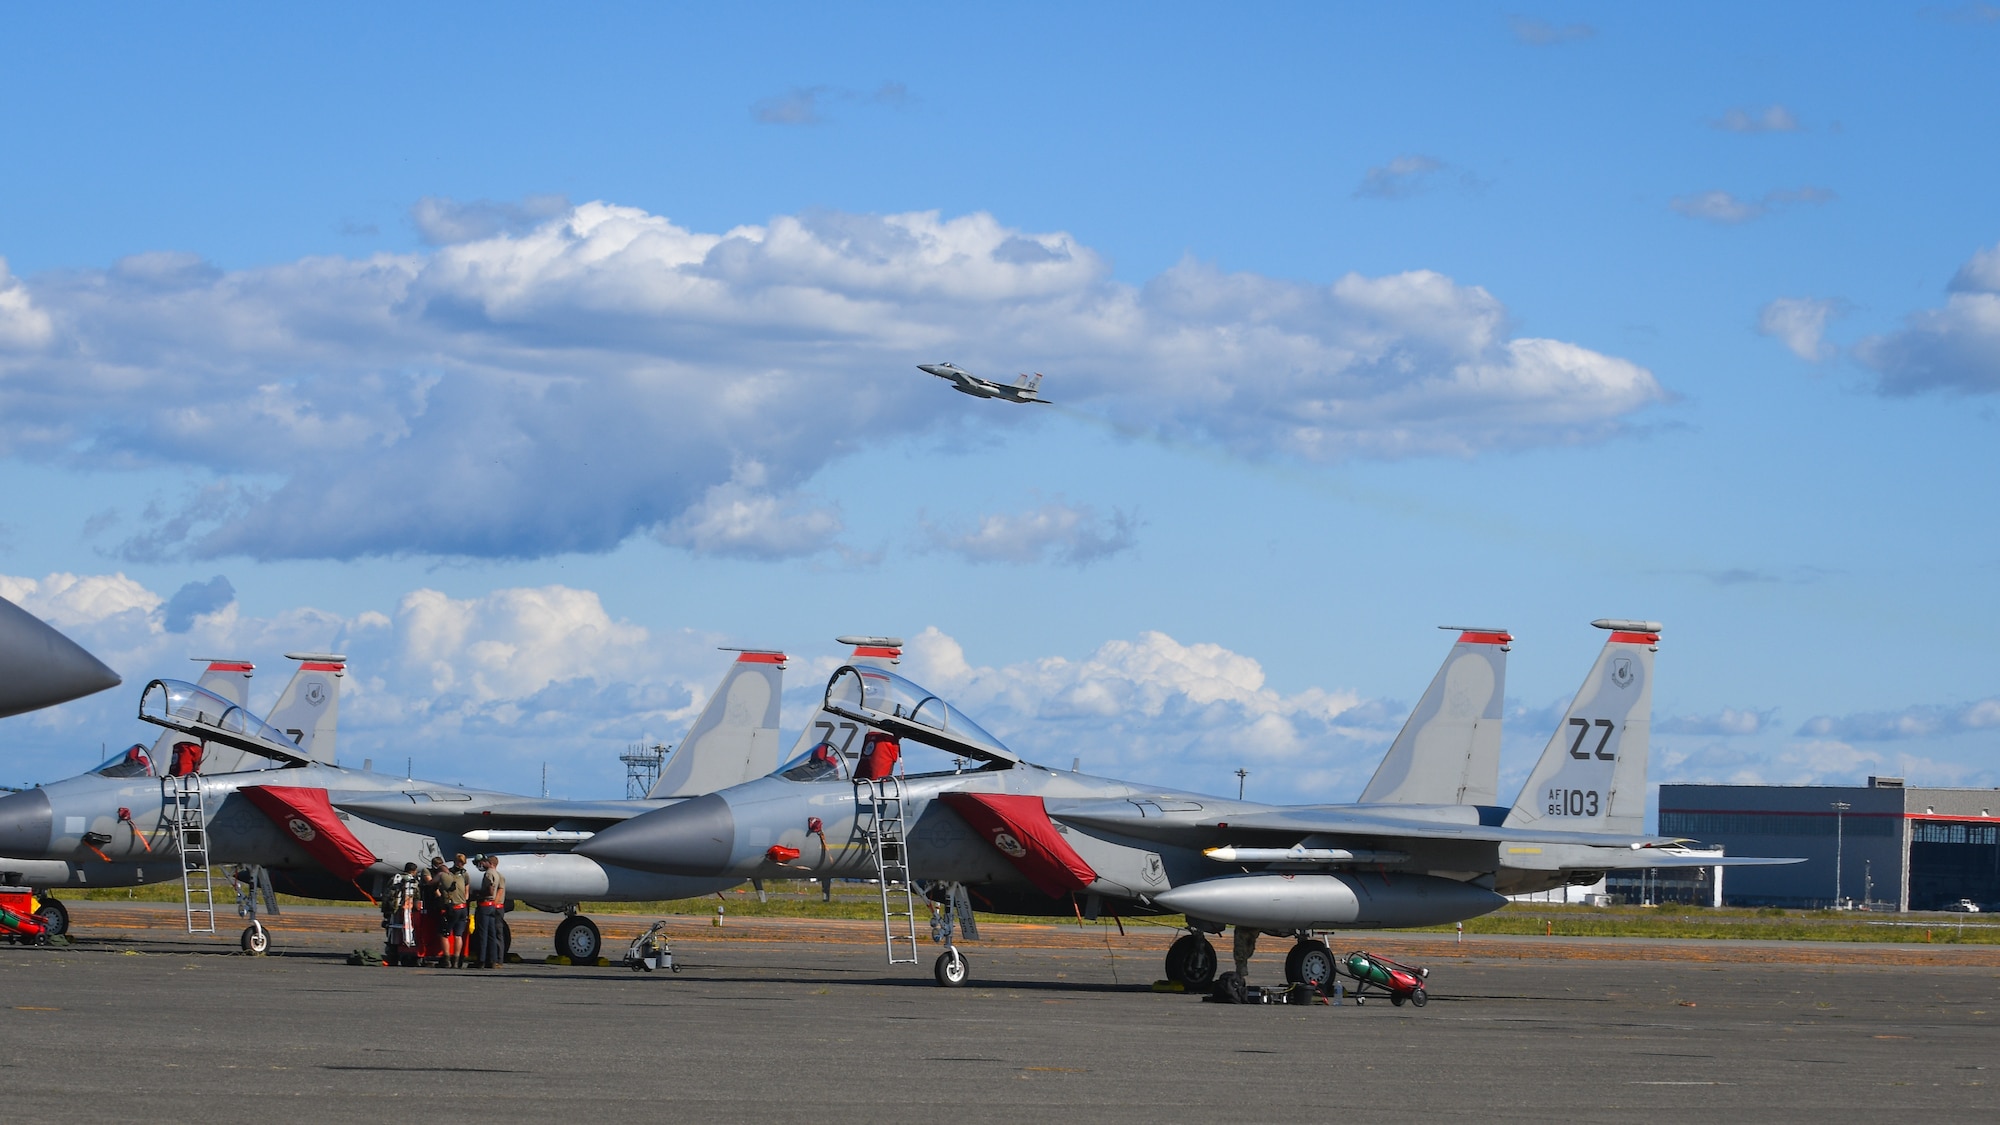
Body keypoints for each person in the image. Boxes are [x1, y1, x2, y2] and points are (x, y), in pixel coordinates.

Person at [472, 855, 508, 969]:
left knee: (483, 933)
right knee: (493, 934)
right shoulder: (498, 875)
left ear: (490, 862)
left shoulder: (489, 874)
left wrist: (479, 894)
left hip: (486, 905)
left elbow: (490, 889)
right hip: (493, 906)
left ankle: (481, 960)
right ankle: (493, 959)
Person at [438, 854, 471, 968]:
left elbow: (435, 884)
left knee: (444, 934)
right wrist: (464, 899)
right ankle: (456, 961)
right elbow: (467, 888)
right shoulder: (464, 874)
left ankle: (447, 959)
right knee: (458, 935)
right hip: (463, 907)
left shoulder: (449, 874)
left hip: (454, 907)